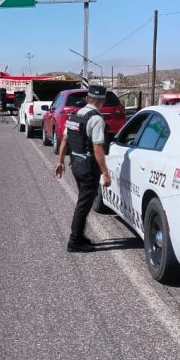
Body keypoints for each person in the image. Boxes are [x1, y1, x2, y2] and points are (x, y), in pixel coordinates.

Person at [53, 85, 112, 252]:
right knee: (84, 204)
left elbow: (64, 139)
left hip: (76, 165)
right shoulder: (96, 119)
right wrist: (105, 173)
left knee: (83, 202)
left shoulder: (74, 115)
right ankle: (74, 241)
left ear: (87, 98)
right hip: (87, 168)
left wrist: (60, 161)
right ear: (102, 101)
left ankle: (79, 236)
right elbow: (98, 148)